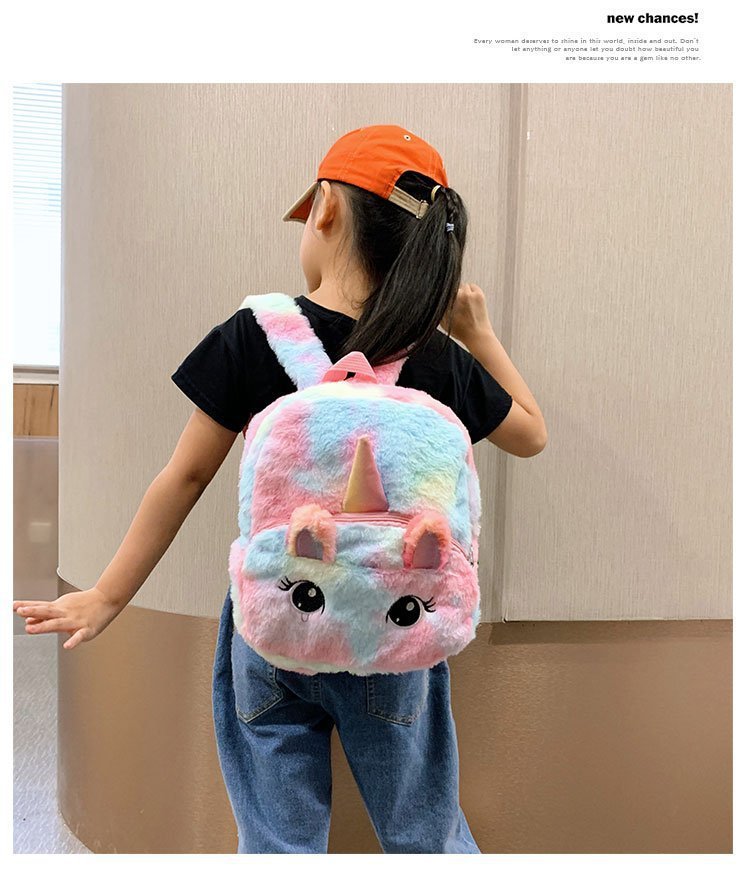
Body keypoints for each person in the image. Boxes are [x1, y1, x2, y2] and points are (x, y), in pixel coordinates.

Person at [13, 124, 547, 853]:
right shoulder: (436, 358)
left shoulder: (255, 333)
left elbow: (185, 476)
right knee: (423, 832)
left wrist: (107, 595)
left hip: (275, 626)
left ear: (325, 207)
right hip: (393, 626)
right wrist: (477, 332)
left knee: (276, 840)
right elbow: (530, 434)